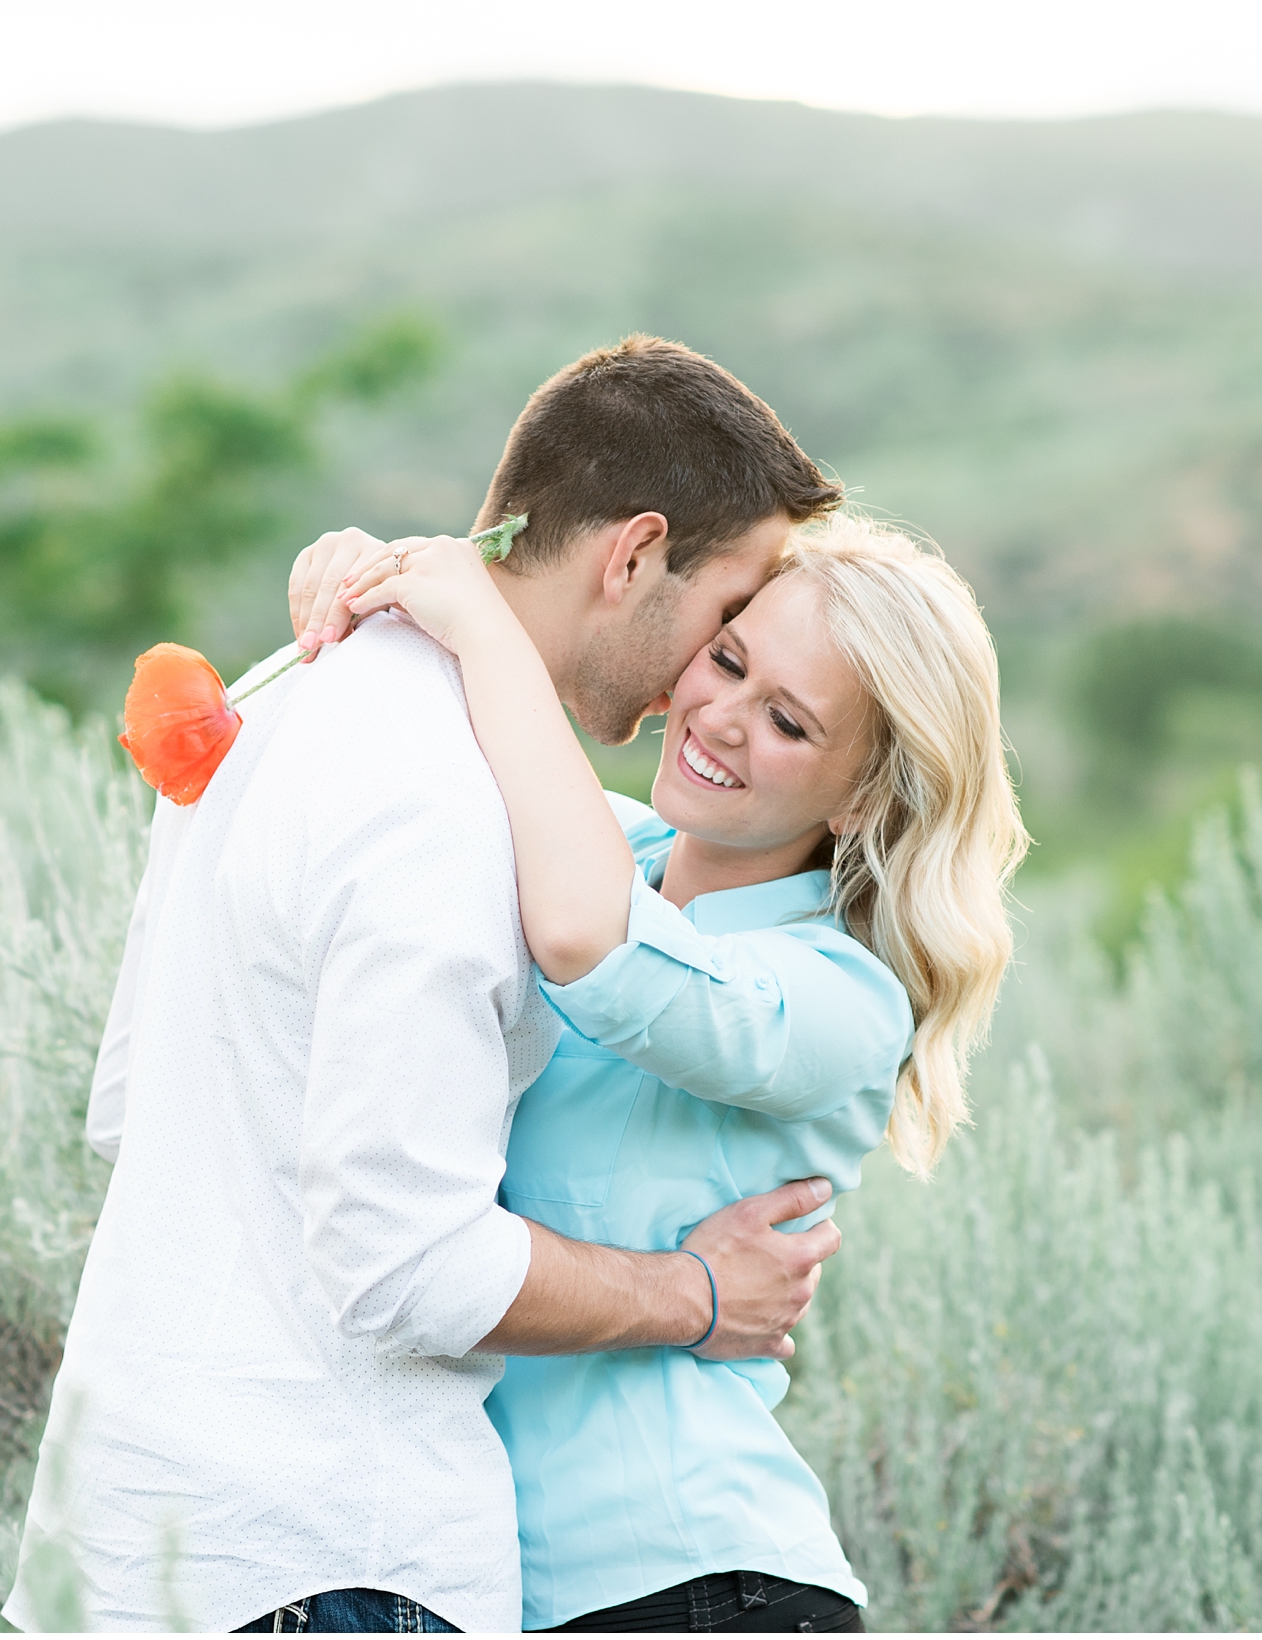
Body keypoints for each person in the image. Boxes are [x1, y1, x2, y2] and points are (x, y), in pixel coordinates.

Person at [5, 337, 847, 1635]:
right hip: (324, 1558)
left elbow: (130, 1106)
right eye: (723, 617)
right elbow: (404, 1264)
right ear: (631, 556)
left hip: (113, 1545)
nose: (705, 676)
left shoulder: (280, 705)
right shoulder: (451, 813)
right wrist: (698, 1294)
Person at [323, 512, 1028, 1633]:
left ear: (856, 800)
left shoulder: (841, 1000)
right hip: (498, 1586)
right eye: (729, 659)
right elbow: (418, 775)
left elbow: (584, 942)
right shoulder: (615, 851)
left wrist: (482, 628)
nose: (724, 719)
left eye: (789, 722)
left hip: (696, 1584)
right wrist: (361, 584)